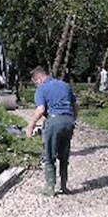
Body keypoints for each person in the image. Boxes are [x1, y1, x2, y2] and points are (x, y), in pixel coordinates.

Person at [25, 66, 79, 196]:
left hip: (54, 121)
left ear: (38, 79)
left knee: (49, 155)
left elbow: (41, 109)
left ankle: (50, 188)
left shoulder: (42, 89)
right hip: (68, 121)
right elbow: (76, 105)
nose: (36, 85)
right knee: (64, 156)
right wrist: (73, 119)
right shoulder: (64, 85)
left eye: (35, 83)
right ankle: (64, 186)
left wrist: (30, 126)